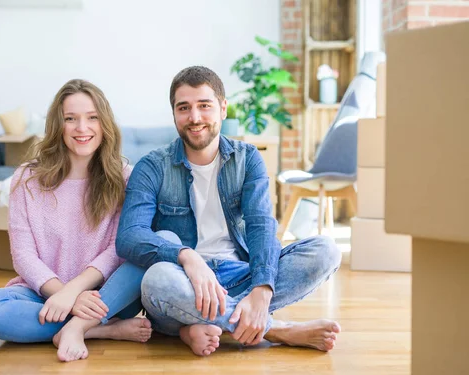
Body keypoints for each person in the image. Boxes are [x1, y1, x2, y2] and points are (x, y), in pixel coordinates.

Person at [115, 66, 342, 357]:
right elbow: (130, 237)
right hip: (184, 280)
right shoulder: (151, 166)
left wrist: (262, 290)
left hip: (240, 275)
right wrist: (187, 257)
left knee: (325, 250)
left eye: (204, 106)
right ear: (174, 113)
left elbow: (261, 226)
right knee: (156, 280)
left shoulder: (247, 159)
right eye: (184, 108)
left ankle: (197, 324)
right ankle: (276, 330)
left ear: (223, 108)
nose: (194, 117)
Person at [0, 79, 152, 362]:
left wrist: (76, 291)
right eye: (71, 119)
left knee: (144, 254)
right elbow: (23, 255)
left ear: (104, 124)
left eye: (92, 118)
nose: (82, 128)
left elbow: (118, 249)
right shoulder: (27, 178)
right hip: (45, 294)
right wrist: (65, 295)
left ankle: (80, 327)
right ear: (58, 125)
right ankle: (96, 330)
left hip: (106, 298)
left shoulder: (124, 178)